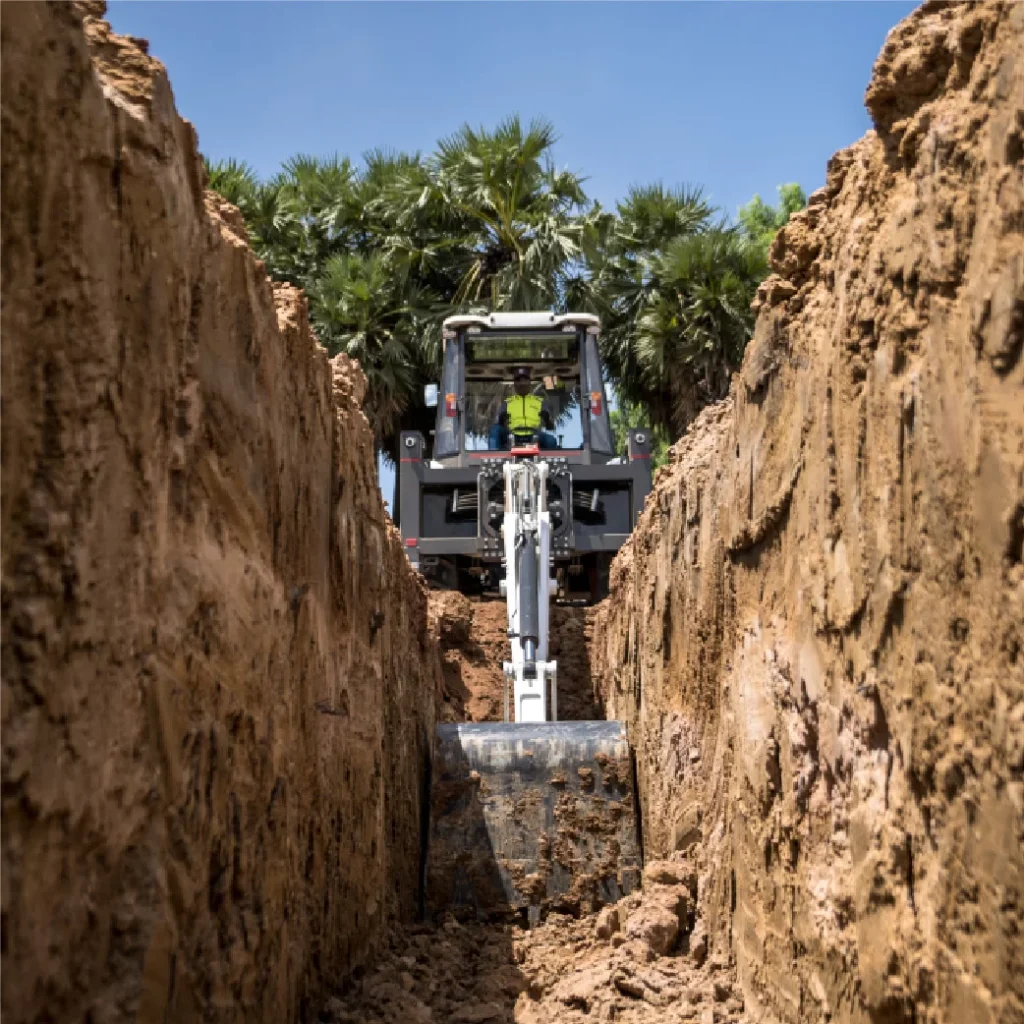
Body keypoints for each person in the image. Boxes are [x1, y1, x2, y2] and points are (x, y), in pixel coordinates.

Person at [488, 367, 558, 450]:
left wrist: (547, 419)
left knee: (551, 441)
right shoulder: (507, 403)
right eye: (518, 380)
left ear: (529, 382)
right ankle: (494, 458)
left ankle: (550, 462)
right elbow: (498, 424)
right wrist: (501, 420)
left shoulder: (540, 402)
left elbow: (550, 426)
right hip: (512, 434)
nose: (522, 383)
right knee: (495, 430)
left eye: (525, 380)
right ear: (514, 384)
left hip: (534, 434)